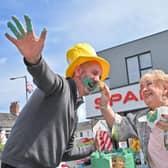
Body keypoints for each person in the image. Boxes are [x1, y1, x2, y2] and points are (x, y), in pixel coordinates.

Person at [1, 15, 110, 168]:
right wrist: (34, 60)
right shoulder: (60, 87)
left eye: (100, 76)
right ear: (78, 71)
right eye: (94, 72)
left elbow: (66, 153)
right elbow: (44, 76)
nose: (98, 79)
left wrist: (94, 147)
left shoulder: (74, 113)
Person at [98, 69, 168, 168]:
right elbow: (118, 129)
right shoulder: (141, 120)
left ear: (165, 88)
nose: (144, 90)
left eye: (149, 84)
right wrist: (104, 106)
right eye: (141, 87)